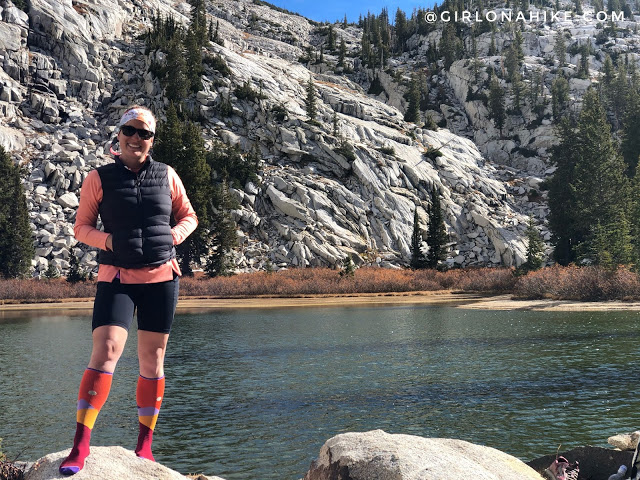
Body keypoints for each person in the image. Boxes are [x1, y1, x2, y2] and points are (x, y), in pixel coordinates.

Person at [59, 106, 198, 475]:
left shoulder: (167, 175)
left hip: (161, 278)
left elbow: (189, 215)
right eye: (129, 131)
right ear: (118, 135)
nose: (136, 138)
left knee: (152, 361)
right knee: (105, 350)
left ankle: (145, 446)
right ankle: (80, 446)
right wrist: (107, 240)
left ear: (152, 140)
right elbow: (80, 227)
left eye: (144, 133)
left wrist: (174, 234)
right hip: (116, 276)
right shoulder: (98, 178)